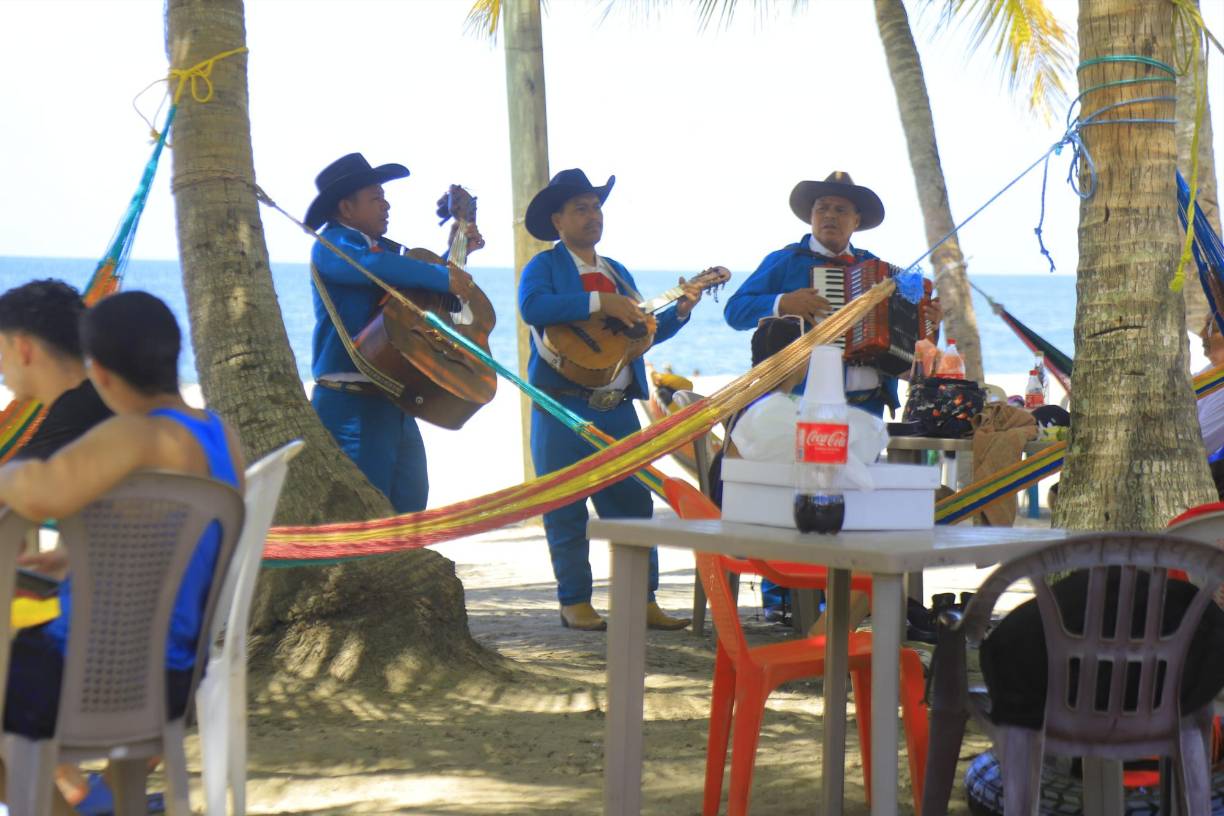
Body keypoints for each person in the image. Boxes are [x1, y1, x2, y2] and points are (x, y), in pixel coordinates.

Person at [0, 291, 245, 814]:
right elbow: (184, 537)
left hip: (92, 678)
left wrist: (12, 468)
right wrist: (80, 557)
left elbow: (40, 491)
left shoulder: (136, 434)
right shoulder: (221, 433)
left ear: (102, 374)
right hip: (175, 675)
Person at [519, 168, 715, 631]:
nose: (593, 216)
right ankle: (574, 602)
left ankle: (641, 601)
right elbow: (533, 308)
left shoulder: (618, 273)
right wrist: (598, 304)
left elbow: (637, 337)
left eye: (596, 207)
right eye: (581, 209)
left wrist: (682, 310)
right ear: (558, 220)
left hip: (618, 408)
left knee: (634, 506)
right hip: (562, 406)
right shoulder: (544, 267)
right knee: (564, 506)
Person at [305, 152, 482, 513]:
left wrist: (457, 248)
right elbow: (378, 267)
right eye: (376, 198)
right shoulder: (332, 245)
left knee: (411, 505)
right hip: (349, 404)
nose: (386, 206)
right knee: (363, 516)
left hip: (394, 398)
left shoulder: (386, 252)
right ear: (346, 208)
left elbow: (425, 290)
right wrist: (442, 274)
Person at [723, 171, 941, 418]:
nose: (829, 215)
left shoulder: (875, 267)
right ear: (811, 216)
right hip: (801, 402)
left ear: (856, 221)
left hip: (867, 407)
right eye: (822, 208)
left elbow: (912, 341)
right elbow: (735, 311)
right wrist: (783, 302)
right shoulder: (785, 261)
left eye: (840, 210)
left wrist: (929, 322)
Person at [0, 280, 112, 460]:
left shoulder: (50, 451)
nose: (1, 367)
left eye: (2, 351)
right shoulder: (114, 409)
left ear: (23, 349)